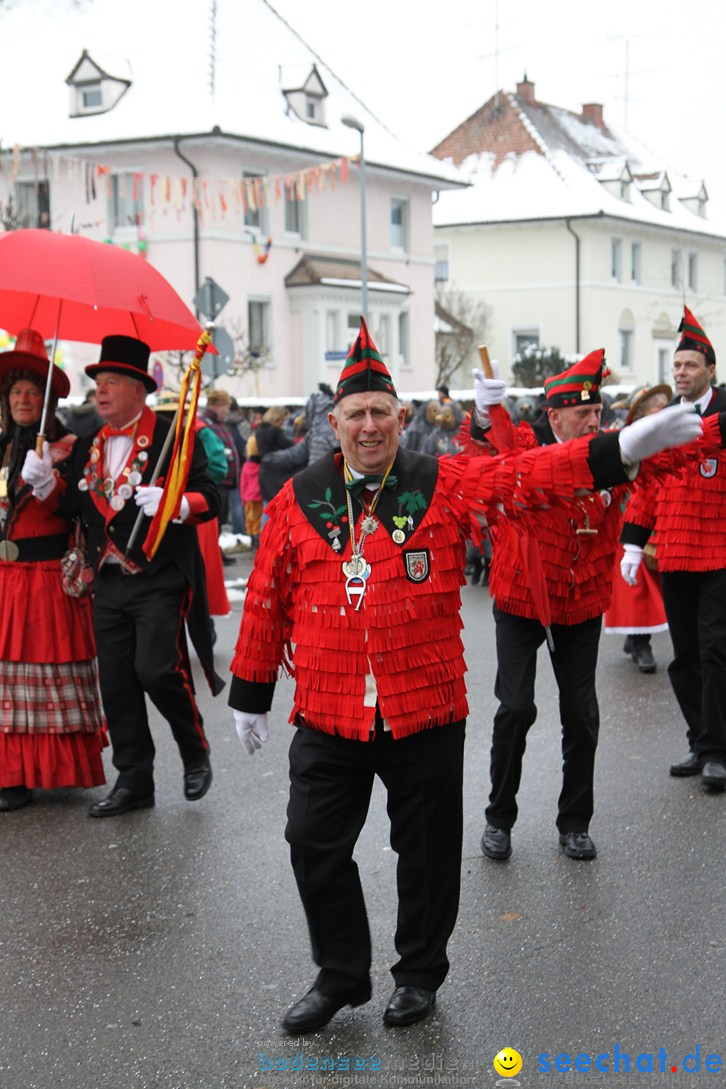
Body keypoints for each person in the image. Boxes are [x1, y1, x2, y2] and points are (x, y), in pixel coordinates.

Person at [228, 319, 700, 1034]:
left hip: (425, 707)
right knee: (311, 841)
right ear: (335, 420)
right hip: (328, 709)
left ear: (400, 417)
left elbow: (526, 474)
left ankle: (418, 974)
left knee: (424, 851)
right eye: (354, 413)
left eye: (380, 412)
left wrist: (619, 449)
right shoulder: (299, 496)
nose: (367, 426)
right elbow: (266, 593)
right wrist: (253, 693)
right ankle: (340, 973)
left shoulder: (439, 479)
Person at [470, 351, 699, 863]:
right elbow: (501, 450)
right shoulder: (530, 447)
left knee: (581, 713)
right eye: (582, 413)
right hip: (522, 599)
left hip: (581, 604)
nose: (594, 421)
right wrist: (487, 413)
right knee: (515, 708)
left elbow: (660, 462)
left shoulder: (613, 454)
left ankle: (575, 822)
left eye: (597, 412)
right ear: (554, 417)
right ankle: (498, 817)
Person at [23, 335, 222, 817]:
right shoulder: (92, 440)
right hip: (107, 579)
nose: (101, 392)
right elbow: (74, 507)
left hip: (157, 574)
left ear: (140, 388)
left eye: (111, 382)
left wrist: (177, 505)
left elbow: (211, 494)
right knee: (116, 682)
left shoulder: (174, 436)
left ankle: (194, 751)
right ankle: (135, 780)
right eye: (98, 383)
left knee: (156, 669)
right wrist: (48, 484)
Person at [620, 307, 726, 791]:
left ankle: (716, 749)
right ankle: (701, 739)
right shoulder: (663, 423)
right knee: (684, 654)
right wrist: (633, 544)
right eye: (676, 366)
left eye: (689, 365)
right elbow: (645, 488)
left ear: (710, 370)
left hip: (721, 552)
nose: (681, 373)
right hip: (679, 551)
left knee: (716, 649)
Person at [0, 329, 105, 811]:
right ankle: (9, 776)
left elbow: (82, 510)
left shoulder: (69, 446)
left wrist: (51, 489)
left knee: (42, 677)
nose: (23, 399)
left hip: (44, 579)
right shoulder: (0, 448)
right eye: (16, 392)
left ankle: (45, 769)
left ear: (47, 401)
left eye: (32, 393)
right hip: (4, 579)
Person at [604, 384, 672, 673]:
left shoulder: (670, 440)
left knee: (662, 587)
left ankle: (636, 638)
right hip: (631, 521)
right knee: (637, 584)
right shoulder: (625, 441)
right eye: (653, 408)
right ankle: (640, 641)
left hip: (665, 519)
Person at [155, 389, 230, 620]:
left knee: (200, 566)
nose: (169, 419)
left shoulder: (199, 433)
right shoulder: (157, 436)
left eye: (173, 413)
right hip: (160, 508)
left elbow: (218, 468)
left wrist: (192, 485)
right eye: (163, 414)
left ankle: (200, 616)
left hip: (193, 508)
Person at [200, 388, 243, 532]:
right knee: (214, 520)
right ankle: (214, 552)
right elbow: (209, 454)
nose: (228, 411)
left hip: (222, 482)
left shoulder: (217, 423)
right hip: (216, 481)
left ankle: (218, 552)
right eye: (227, 407)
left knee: (219, 519)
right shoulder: (206, 425)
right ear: (218, 406)